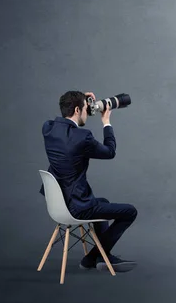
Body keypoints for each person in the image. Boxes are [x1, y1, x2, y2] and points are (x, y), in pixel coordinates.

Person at [40, 90, 138, 273]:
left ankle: (104, 256)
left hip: (58, 204)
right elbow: (110, 152)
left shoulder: (48, 128)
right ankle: (91, 258)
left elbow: (69, 113)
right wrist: (106, 122)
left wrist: (81, 99)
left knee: (103, 203)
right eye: (86, 108)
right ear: (78, 109)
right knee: (130, 211)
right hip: (78, 207)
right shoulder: (83, 137)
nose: (88, 111)